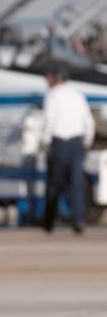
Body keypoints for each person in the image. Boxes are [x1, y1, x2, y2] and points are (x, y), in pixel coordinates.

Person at [41, 63, 95, 233]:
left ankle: (49, 222)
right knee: (76, 183)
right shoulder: (77, 95)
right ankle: (78, 220)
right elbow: (88, 121)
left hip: (60, 143)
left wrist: (44, 141)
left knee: (54, 184)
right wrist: (87, 142)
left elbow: (49, 120)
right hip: (77, 144)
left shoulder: (52, 96)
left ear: (55, 78)